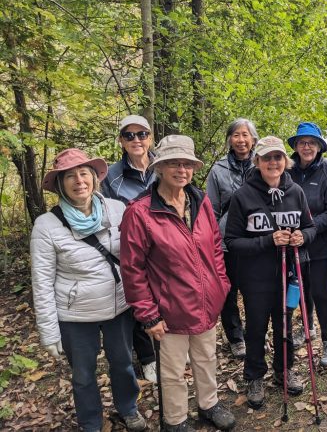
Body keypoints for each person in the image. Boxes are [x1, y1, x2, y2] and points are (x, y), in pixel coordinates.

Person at [120, 135, 236, 432]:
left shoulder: (200, 201)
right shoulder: (140, 211)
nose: (181, 169)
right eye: (173, 163)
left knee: (206, 358)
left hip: (206, 302)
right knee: (172, 370)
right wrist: (148, 314)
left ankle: (208, 404)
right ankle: (175, 420)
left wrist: (220, 285)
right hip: (168, 309)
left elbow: (214, 248)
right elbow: (132, 269)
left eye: (186, 164)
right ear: (160, 167)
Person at [31, 148, 146, 432]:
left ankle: (128, 407)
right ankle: (90, 421)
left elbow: (137, 256)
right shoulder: (46, 226)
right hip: (76, 315)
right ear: (60, 184)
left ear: (95, 179)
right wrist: (49, 330)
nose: (79, 180)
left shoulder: (117, 209)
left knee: (122, 363)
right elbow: (42, 281)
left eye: (84, 173)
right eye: (70, 176)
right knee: (83, 374)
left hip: (119, 305)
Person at [224, 136, 316, 409]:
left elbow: (310, 226)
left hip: (288, 275)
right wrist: (267, 241)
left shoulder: (296, 192)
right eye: (267, 158)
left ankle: (284, 369)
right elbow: (231, 241)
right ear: (257, 161)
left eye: (278, 158)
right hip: (255, 277)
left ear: (285, 161)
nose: (273, 163)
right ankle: (254, 375)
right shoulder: (243, 196)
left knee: (285, 323)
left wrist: (303, 236)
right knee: (255, 327)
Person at [101, 115, 157, 382]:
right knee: (138, 299)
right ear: (121, 141)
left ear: (151, 137)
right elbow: (107, 215)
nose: (137, 140)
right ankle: (147, 358)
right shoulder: (112, 176)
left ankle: (167, 348)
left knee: (164, 295)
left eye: (142, 134)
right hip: (131, 246)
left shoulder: (163, 165)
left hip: (164, 246)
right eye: (130, 135)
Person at [287, 122, 327, 367]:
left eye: (311, 143)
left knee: (319, 290)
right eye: (302, 142)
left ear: (319, 146)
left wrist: (308, 229)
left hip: (320, 242)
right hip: (294, 243)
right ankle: (307, 328)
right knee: (301, 290)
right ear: (296, 146)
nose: (307, 147)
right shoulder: (287, 170)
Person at [206, 118, 259, 359]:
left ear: (253, 139)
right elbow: (212, 210)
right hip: (226, 242)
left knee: (255, 290)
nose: (241, 140)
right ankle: (236, 337)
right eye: (236, 135)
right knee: (228, 292)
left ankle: (255, 333)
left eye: (245, 135)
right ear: (230, 139)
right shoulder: (218, 170)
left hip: (257, 241)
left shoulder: (262, 165)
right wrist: (213, 242)